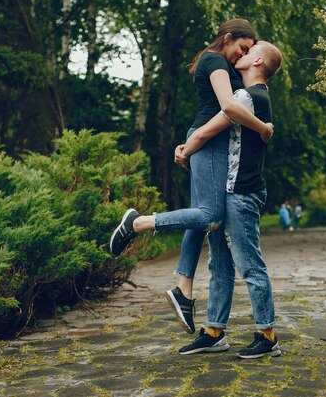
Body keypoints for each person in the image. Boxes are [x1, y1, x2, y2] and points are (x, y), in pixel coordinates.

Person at [109, 19, 274, 334]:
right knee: (209, 216)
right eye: (243, 46)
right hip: (210, 143)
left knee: (205, 221)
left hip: (210, 144)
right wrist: (262, 128)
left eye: (251, 51)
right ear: (228, 38)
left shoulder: (221, 64)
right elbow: (227, 105)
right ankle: (138, 223)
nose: (245, 53)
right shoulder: (215, 61)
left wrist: (191, 145)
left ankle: (184, 291)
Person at [174, 41, 283, 358]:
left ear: (258, 60)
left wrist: (186, 149)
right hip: (232, 190)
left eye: (249, 51)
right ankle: (213, 331)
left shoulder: (247, 97)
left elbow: (205, 132)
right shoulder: (257, 97)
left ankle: (267, 335)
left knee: (250, 265)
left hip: (241, 192)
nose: (241, 54)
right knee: (219, 263)